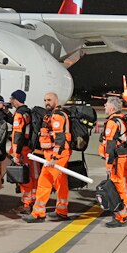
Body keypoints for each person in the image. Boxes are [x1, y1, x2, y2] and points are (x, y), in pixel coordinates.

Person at [23, 92, 72, 223]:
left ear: (56, 100)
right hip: (56, 153)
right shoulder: (53, 115)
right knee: (61, 182)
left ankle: (38, 213)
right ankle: (62, 211)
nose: (46, 102)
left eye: (49, 100)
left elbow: (60, 138)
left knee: (44, 181)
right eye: (45, 100)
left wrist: (54, 158)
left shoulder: (56, 116)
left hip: (56, 154)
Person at [99, 97, 127, 227]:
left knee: (119, 185)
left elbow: (111, 145)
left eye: (106, 105)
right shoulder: (121, 119)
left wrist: (108, 164)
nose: (105, 106)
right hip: (123, 157)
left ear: (112, 108)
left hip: (118, 159)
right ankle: (126, 211)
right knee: (123, 185)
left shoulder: (113, 122)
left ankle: (121, 216)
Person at [8, 90, 40, 215]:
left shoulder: (19, 114)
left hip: (23, 151)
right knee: (34, 176)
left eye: (12, 98)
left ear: (16, 99)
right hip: (31, 149)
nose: (10, 100)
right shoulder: (28, 112)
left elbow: (17, 135)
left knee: (24, 178)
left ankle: (27, 204)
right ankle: (35, 201)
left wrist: (16, 154)